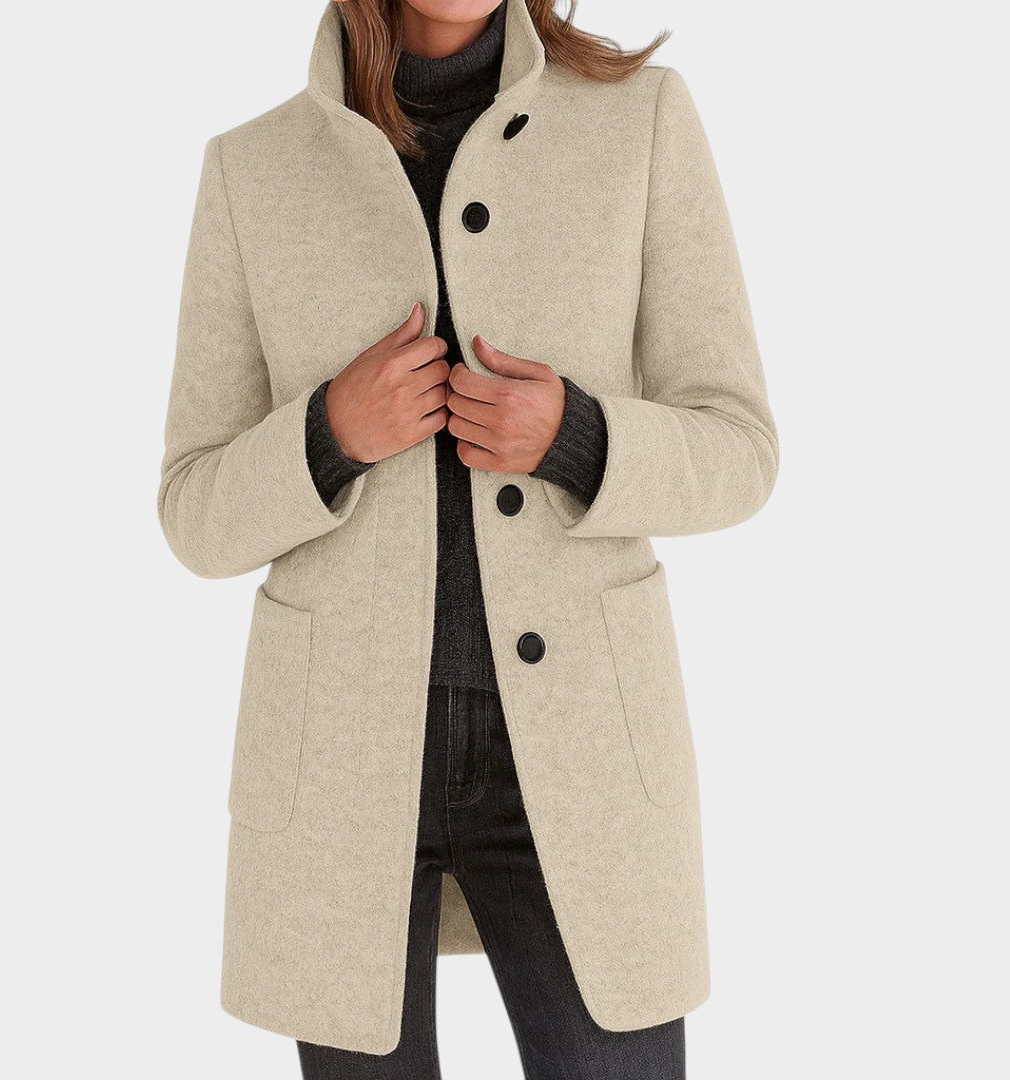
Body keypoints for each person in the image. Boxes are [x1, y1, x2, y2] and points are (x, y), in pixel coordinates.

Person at [158, 1, 777, 1076]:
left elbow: (741, 448)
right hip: (340, 766)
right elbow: (192, 510)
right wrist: (328, 436)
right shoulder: (252, 169)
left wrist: (578, 437)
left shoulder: (641, 123)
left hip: (580, 753)